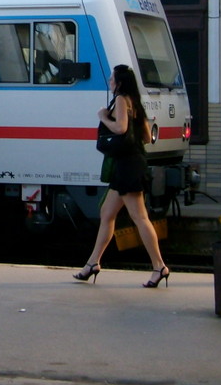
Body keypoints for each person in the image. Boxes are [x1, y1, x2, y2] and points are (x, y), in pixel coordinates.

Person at [72, 64, 170, 288]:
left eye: (112, 78)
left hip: (127, 166)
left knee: (140, 218)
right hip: (131, 162)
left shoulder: (121, 100)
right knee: (107, 214)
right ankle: (92, 263)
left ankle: (159, 267)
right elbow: (145, 136)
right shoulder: (135, 102)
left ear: (119, 82)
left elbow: (120, 129)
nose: (109, 81)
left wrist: (103, 117)